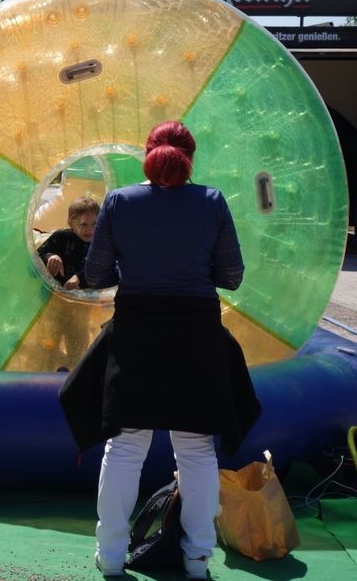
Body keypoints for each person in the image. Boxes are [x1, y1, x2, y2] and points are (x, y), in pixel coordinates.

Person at [79, 121, 258, 579]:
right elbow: (232, 275)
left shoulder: (120, 202)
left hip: (136, 330)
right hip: (196, 332)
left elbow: (96, 274)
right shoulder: (212, 201)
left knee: (124, 447)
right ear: (189, 158)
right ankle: (197, 560)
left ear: (149, 153)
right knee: (197, 450)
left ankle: (112, 556)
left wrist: (139, 266)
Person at [36, 196, 100, 290]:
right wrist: (51, 256)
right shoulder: (61, 237)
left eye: (95, 224)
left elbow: (102, 268)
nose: (90, 230)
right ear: (71, 223)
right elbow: (38, 254)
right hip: (55, 292)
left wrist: (79, 277)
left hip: (86, 296)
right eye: (83, 224)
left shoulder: (100, 243)